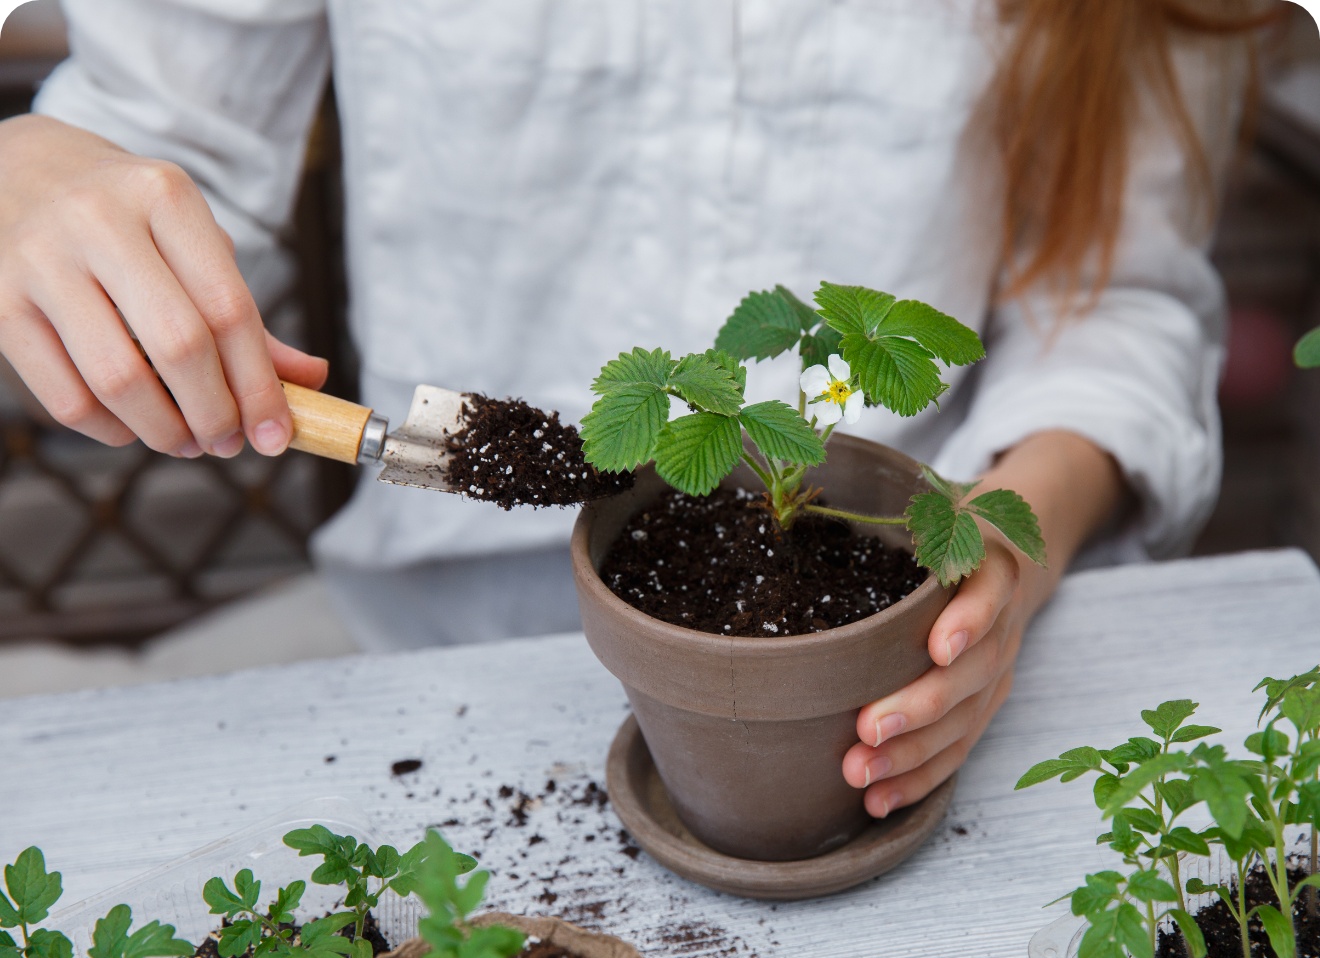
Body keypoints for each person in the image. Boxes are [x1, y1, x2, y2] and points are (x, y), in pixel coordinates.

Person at [0, 0, 1268, 818]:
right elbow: (165, 153)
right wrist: (41, 181)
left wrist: (997, 540)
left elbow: (1122, 303)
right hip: (431, 639)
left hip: (885, 647)